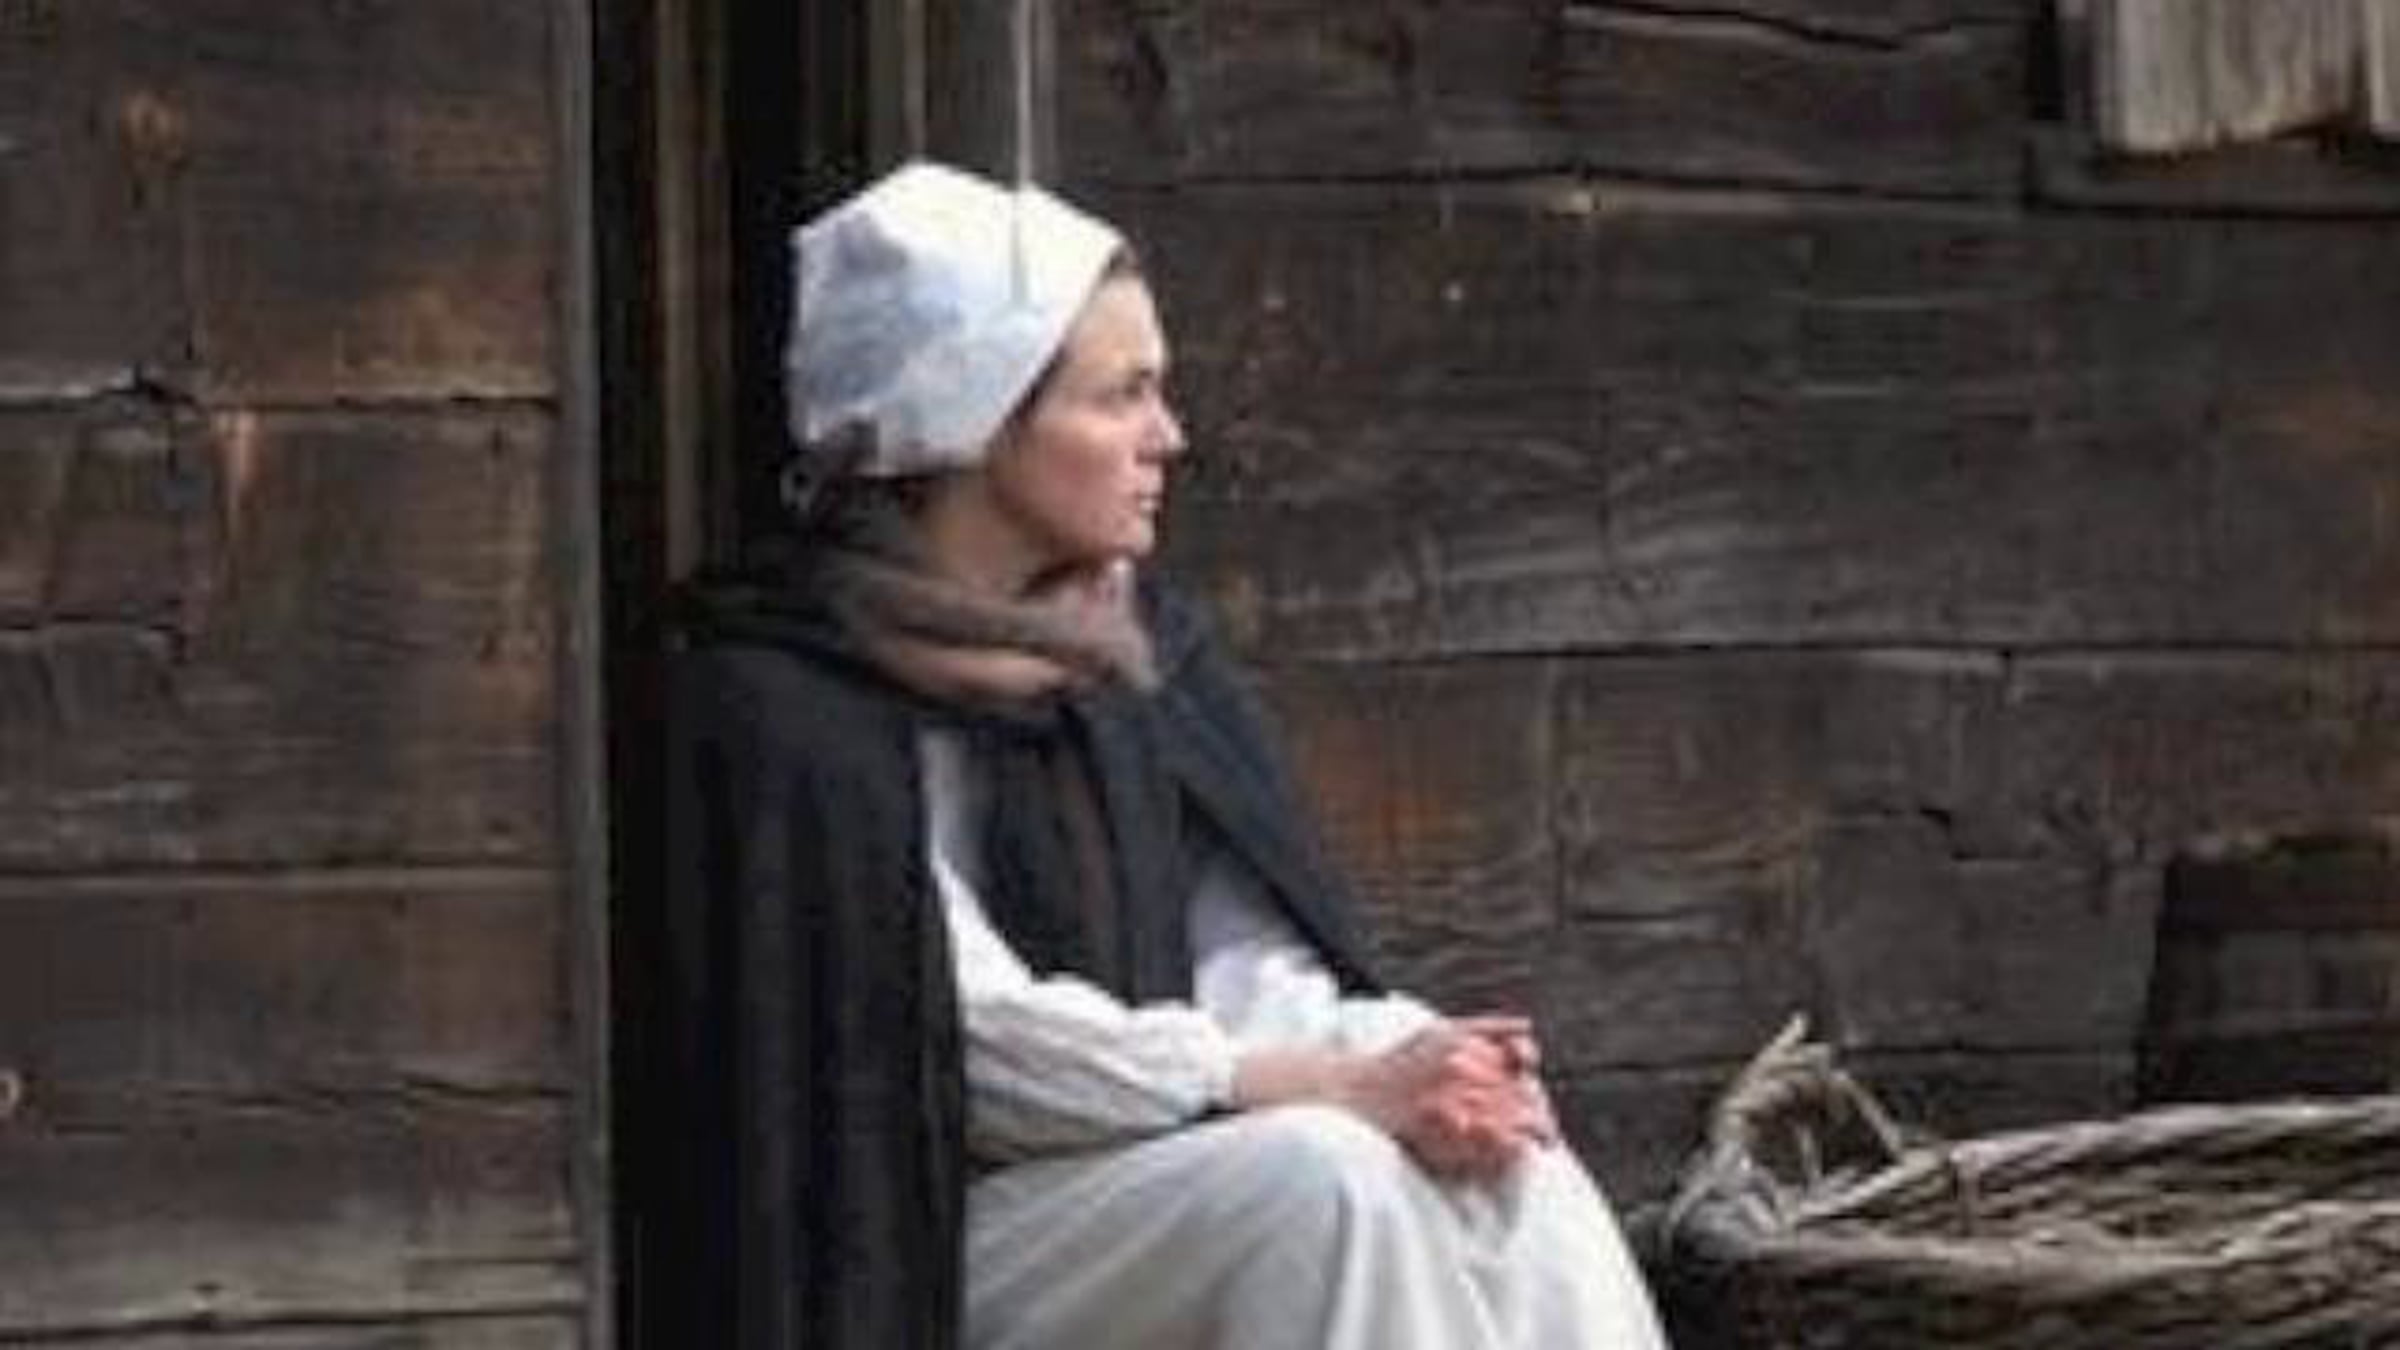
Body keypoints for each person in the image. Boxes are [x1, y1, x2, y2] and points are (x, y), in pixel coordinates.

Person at [656, 160, 1670, 1350]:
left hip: (1146, 1170)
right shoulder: (791, 700)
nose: (1168, 437)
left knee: (1507, 1160)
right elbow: (957, 1041)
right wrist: (1297, 1084)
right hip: (920, 1231)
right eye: (1121, 396)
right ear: (975, 418)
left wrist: (1419, 1062)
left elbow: (1245, 956)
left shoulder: (1131, 660)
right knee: (1323, 1182)